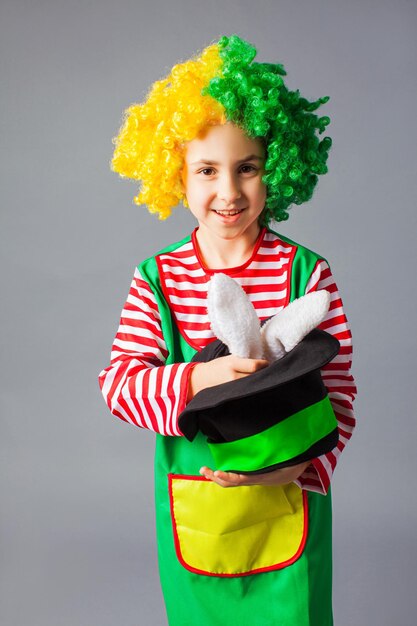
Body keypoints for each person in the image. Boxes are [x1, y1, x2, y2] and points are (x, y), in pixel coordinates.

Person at [99, 35, 357, 626]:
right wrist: (202, 377)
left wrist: (305, 468)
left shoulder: (305, 274)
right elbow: (119, 385)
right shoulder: (157, 278)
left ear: (278, 168)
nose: (229, 191)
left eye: (248, 168)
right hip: (198, 512)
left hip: (290, 505)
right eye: (207, 170)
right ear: (175, 176)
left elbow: (339, 390)